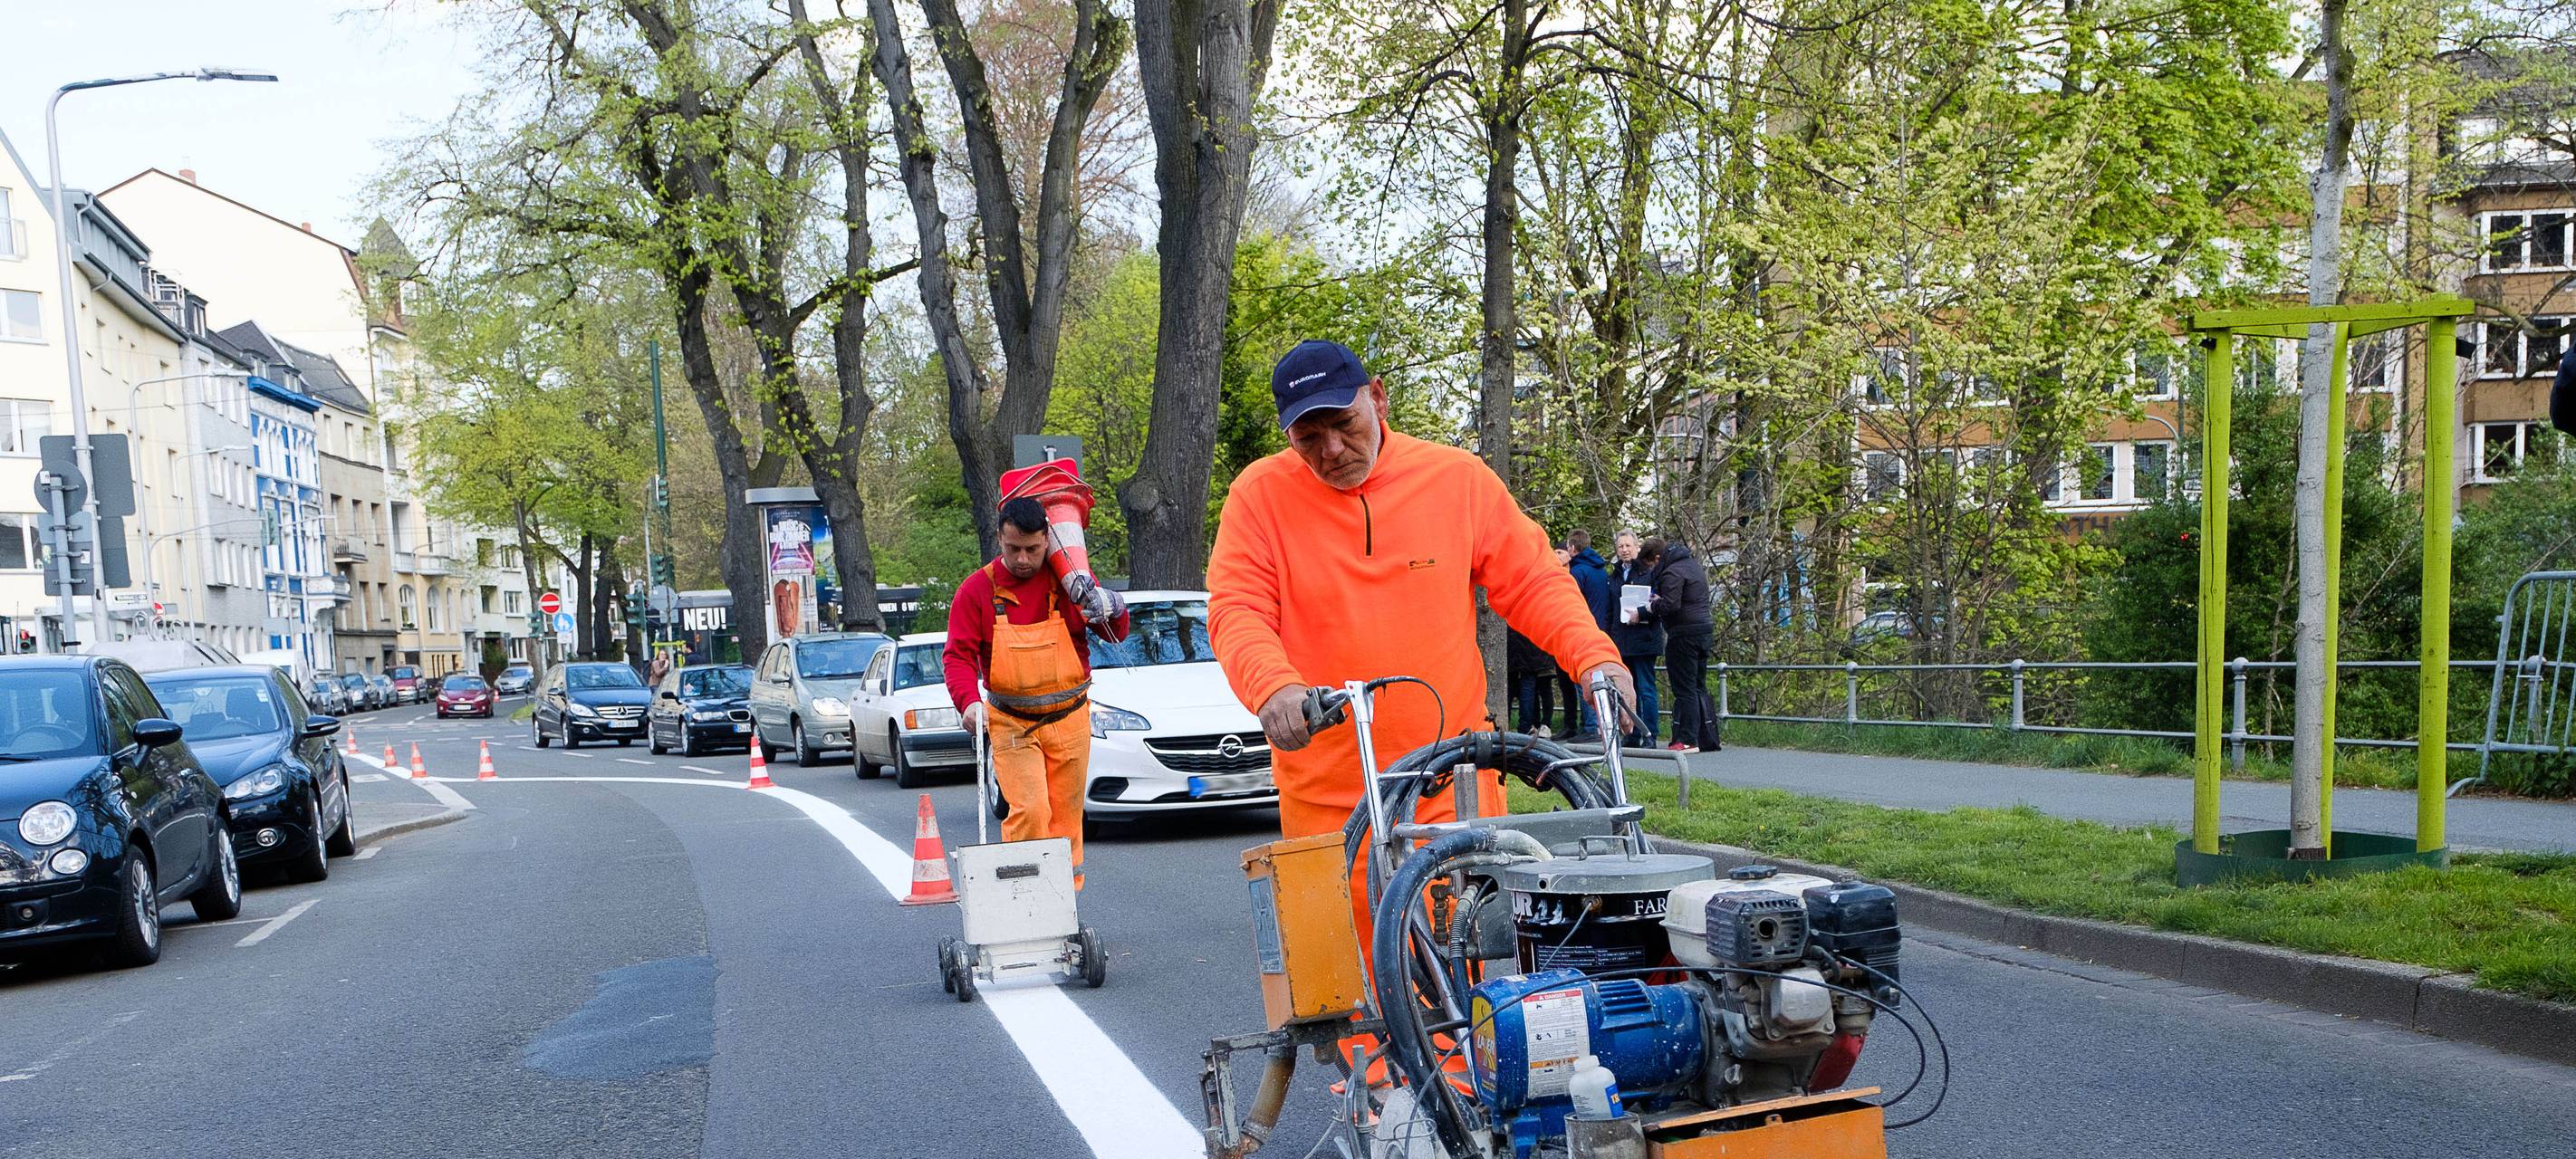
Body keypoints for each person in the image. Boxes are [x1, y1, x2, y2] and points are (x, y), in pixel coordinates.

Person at [1207, 338, 1636, 844]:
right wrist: (1273, 687)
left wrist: (1594, 658)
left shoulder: (1457, 480)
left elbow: (1533, 582)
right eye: (1308, 438)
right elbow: (1239, 609)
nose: (1332, 450)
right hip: (1327, 801)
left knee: (1476, 901)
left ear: (1378, 398)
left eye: (1345, 424)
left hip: (1453, 784)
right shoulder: (1259, 496)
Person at [942, 496, 1132, 889]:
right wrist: (969, 703)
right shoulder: (976, 590)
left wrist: (1111, 604)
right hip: (1012, 723)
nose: (1023, 559)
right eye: (1014, 548)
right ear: (999, 538)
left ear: (1048, 538)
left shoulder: (1069, 581)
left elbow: (1115, 631)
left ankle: (1063, 901)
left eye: (1032, 548)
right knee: (1029, 810)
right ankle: (1024, 896)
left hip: (1071, 720)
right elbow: (957, 656)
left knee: (1066, 816)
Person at [1650, 533, 1719, 753]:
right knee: (1699, 686)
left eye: (1651, 564)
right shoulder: (1693, 566)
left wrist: (1653, 605)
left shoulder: (1672, 572)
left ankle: (1687, 739)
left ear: (1657, 558)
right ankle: (1706, 736)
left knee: (1684, 689)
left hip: (1683, 634)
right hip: (1704, 630)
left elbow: (1671, 605)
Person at [1607, 532, 1663, 747]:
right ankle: (1631, 733)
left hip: (1644, 638)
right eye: (1621, 546)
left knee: (1646, 689)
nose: (1624, 550)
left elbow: (1658, 605)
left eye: (1628, 546)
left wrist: (1642, 613)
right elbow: (1611, 609)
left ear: (1637, 548)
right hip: (1622, 640)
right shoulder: (1615, 575)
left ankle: (1650, 733)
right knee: (1627, 690)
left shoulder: (1648, 572)